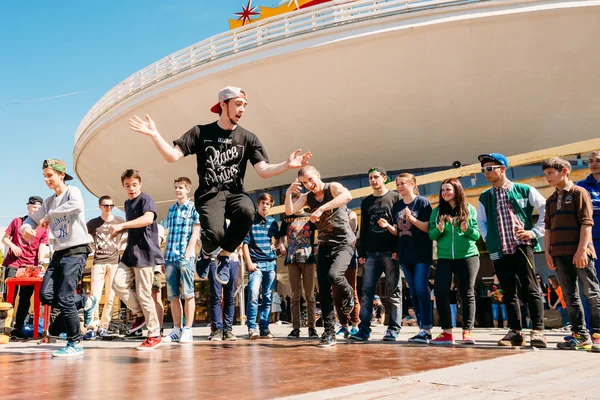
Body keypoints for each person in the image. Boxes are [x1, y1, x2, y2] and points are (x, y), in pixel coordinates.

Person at [128, 86, 311, 288]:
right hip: (209, 194)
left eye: (245, 105)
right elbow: (172, 156)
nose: (242, 110)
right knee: (215, 234)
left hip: (234, 193)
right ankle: (206, 254)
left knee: (248, 211)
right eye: (238, 104)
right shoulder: (201, 132)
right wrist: (155, 134)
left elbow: (263, 169)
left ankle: (224, 255)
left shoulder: (248, 138)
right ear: (223, 105)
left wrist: (286, 165)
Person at [21, 159, 95, 357]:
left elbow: (77, 206)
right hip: (59, 252)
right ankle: (84, 301)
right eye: (44, 176)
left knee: (64, 297)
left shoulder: (73, 192)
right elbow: (32, 218)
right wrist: (26, 228)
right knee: (46, 294)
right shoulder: (48, 201)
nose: (47, 179)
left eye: (50, 175)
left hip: (77, 249)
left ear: (61, 175)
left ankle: (75, 343)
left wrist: (50, 216)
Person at [477, 153, 547, 348]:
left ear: (503, 169)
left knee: (530, 287)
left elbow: (544, 209)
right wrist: (488, 238)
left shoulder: (524, 190)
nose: (486, 173)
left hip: (521, 246)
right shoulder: (485, 196)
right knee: (507, 291)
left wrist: (534, 232)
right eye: (483, 170)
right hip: (498, 250)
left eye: (490, 168)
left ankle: (538, 331)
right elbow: (481, 221)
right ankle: (515, 332)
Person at [285, 165, 355, 347]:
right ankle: (329, 332)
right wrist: (288, 194)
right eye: (304, 183)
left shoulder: (332, 188)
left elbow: (348, 196)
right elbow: (289, 211)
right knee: (323, 291)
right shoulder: (307, 197)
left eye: (310, 179)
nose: (309, 184)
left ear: (318, 174)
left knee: (334, 276)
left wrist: (321, 208)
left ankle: (348, 293)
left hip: (343, 243)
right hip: (324, 245)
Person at [543, 157, 600, 352]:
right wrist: (548, 253)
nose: (547, 177)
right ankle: (581, 336)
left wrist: (582, 250)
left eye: (551, 172)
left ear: (565, 171)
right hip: (559, 254)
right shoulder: (550, 200)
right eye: (545, 174)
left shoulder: (579, 192)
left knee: (592, 293)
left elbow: (586, 223)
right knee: (570, 296)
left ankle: (598, 335)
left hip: (581, 253)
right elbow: (548, 229)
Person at [109, 169, 165, 351]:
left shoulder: (146, 199)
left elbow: (148, 219)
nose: (131, 188)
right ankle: (140, 313)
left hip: (146, 252)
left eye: (134, 184)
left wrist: (122, 225)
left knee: (144, 293)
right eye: (127, 185)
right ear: (123, 186)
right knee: (117, 283)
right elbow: (135, 226)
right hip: (130, 252)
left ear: (140, 183)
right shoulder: (127, 203)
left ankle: (154, 334)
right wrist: (121, 230)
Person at [350, 167, 402, 342]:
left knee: (394, 291)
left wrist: (397, 249)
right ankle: (364, 329)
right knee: (367, 293)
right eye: (370, 178)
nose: (373, 180)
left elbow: (400, 226)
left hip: (390, 252)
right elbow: (363, 229)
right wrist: (362, 252)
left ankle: (393, 328)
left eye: (376, 177)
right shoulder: (366, 202)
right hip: (371, 253)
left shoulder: (395, 197)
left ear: (384, 178)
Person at [381, 173, 433, 343]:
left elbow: (427, 228)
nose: (400, 186)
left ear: (412, 184)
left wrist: (412, 218)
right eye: (397, 184)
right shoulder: (397, 206)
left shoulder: (422, 202)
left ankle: (427, 328)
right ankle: (421, 329)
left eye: (403, 183)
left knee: (421, 288)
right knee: (413, 291)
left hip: (421, 252)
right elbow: (398, 231)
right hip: (405, 253)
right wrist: (388, 226)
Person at [429, 178, 480, 345]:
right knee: (441, 292)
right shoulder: (437, 211)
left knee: (466, 293)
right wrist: (438, 229)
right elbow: (431, 235)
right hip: (444, 257)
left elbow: (476, 235)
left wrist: (467, 229)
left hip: (468, 256)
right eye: (443, 190)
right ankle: (447, 332)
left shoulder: (469, 209)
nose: (445, 192)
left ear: (457, 190)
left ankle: (467, 332)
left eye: (448, 189)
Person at [160, 177, 200, 344]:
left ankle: (188, 329)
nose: (178, 190)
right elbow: (167, 233)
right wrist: (163, 256)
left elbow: (196, 230)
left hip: (185, 257)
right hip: (170, 257)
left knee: (188, 293)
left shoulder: (193, 209)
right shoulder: (171, 210)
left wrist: (189, 252)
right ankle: (177, 329)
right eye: (176, 187)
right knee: (173, 295)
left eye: (181, 187)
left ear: (187, 190)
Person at [2, 196, 48, 339]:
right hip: (13, 263)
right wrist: (13, 246)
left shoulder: (42, 227)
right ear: (28, 207)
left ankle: (18, 327)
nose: (36, 210)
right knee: (9, 296)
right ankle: (4, 326)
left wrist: (41, 261)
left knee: (25, 298)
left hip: (30, 266)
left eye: (39, 208)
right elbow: (4, 238)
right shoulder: (17, 221)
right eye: (34, 207)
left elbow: (42, 246)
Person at [84, 195, 126, 340]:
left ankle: (104, 326)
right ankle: (92, 326)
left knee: (110, 296)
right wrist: (91, 245)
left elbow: (130, 232)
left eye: (111, 206)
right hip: (98, 262)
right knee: (94, 296)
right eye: (106, 205)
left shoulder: (119, 221)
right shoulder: (93, 223)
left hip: (114, 262)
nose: (109, 208)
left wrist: (122, 244)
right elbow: (83, 234)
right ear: (100, 206)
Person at [279, 192, 318, 340]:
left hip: (308, 258)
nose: (297, 205)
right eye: (293, 202)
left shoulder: (310, 217)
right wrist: (282, 245)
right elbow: (281, 237)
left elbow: (319, 232)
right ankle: (295, 328)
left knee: (310, 295)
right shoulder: (286, 219)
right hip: (292, 259)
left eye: (298, 201)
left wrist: (316, 246)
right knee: (295, 295)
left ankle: (312, 327)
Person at [242, 193, 281, 339]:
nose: (265, 206)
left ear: (271, 206)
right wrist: (249, 263)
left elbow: (278, 238)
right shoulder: (250, 222)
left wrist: (275, 246)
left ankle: (264, 328)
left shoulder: (273, 223)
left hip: (270, 264)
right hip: (256, 265)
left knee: (267, 297)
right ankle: (252, 328)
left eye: (268, 203)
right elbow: (244, 244)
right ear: (258, 205)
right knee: (252, 294)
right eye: (262, 203)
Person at [577, 151, 600, 331]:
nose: (593, 164)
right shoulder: (582, 187)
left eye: (597, 161)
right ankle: (592, 330)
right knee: (590, 288)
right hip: (590, 245)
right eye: (590, 161)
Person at [333, 209, 360, 339]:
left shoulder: (351, 213)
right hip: (333, 258)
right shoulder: (330, 213)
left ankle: (355, 325)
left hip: (349, 258)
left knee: (352, 291)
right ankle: (343, 326)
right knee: (337, 293)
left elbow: (352, 226)